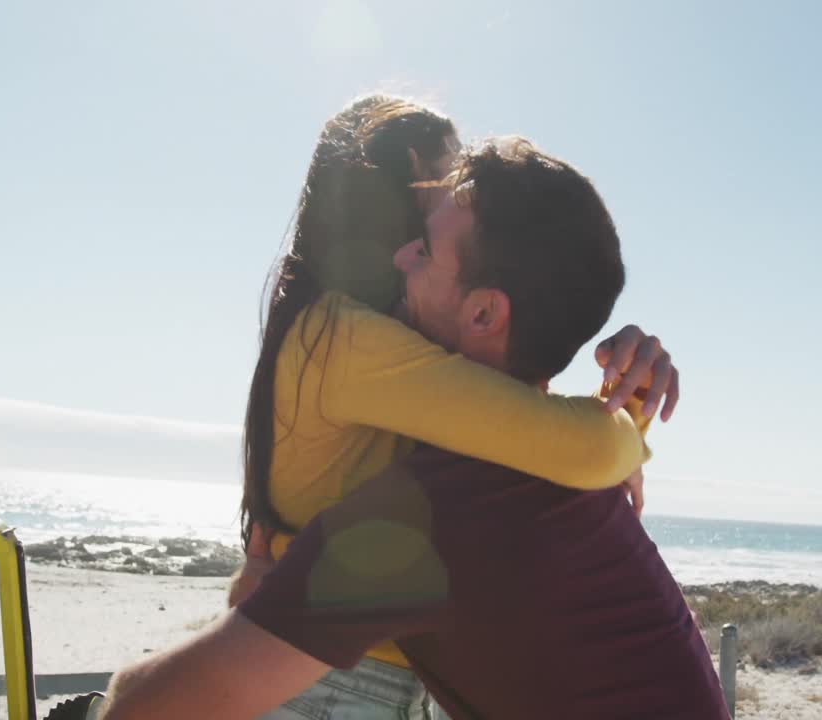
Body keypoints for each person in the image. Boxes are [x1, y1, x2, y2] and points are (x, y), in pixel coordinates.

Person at [100, 139, 725, 719]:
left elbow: (143, 706)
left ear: (483, 311)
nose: (400, 258)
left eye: (422, 248)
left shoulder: (433, 513)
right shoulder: (564, 478)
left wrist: (272, 597)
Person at [228, 96, 677, 718]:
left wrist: (623, 388)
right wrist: (625, 421)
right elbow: (587, 447)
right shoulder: (346, 338)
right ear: (410, 175)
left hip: (396, 673)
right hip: (339, 683)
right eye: (448, 173)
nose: (461, 187)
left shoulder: (368, 339)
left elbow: (519, 434)